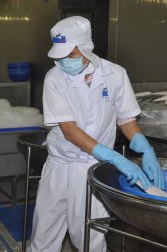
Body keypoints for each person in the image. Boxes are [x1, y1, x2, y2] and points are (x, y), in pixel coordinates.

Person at [28, 16, 164, 252]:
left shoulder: (115, 74)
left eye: (70, 55)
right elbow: (69, 130)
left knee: (89, 238)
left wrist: (144, 147)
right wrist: (114, 157)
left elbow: (126, 118)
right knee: (44, 234)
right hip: (60, 164)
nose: (62, 61)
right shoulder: (55, 77)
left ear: (86, 48)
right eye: (58, 56)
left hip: (92, 166)